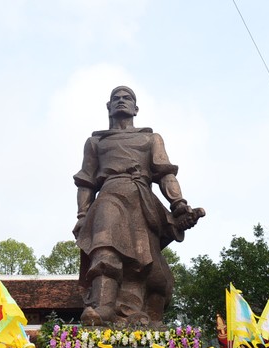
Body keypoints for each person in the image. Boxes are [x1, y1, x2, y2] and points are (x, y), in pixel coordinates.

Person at [72, 85, 202, 325]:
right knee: (105, 247)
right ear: (109, 107)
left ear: (136, 108)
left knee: (152, 271)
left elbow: (165, 173)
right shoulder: (96, 142)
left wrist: (178, 203)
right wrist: (82, 216)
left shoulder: (150, 138)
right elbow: (86, 182)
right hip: (110, 195)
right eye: (116, 98)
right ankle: (103, 308)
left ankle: (146, 316)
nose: (121, 101)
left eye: (127, 98)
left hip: (142, 201)